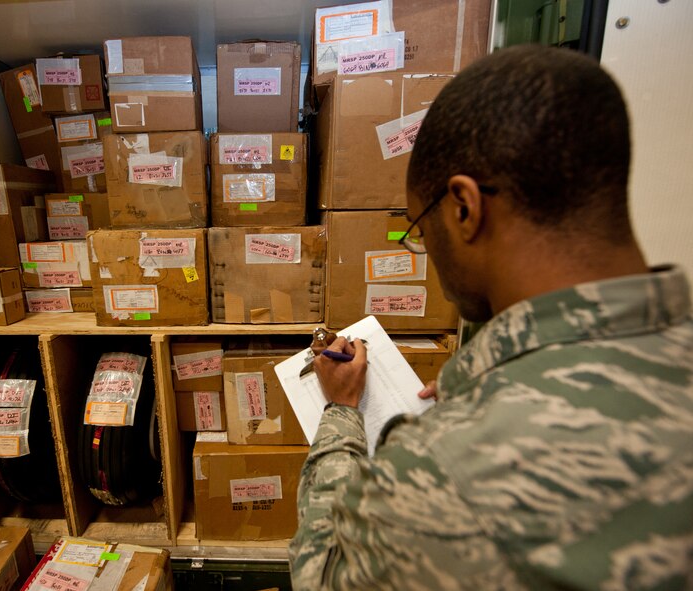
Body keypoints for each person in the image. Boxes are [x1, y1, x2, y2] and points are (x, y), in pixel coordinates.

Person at [290, 45, 693, 590]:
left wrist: (341, 414)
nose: (425, 250)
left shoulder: (447, 467)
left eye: (419, 228)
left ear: (463, 207)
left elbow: (322, 576)